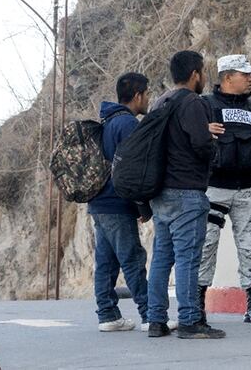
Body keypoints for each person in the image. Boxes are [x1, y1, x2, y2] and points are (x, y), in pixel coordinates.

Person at [197, 54, 251, 324]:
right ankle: (197, 303)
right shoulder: (203, 106)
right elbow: (184, 136)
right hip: (213, 188)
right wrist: (203, 130)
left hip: (248, 189)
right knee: (205, 245)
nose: (250, 78)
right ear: (227, 77)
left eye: (250, 74)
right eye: (244, 74)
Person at [145, 50, 225, 339]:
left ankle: (156, 321)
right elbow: (202, 144)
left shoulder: (159, 102)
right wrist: (214, 151)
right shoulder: (192, 102)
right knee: (189, 259)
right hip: (186, 192)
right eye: (202, 72)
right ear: (194, 74)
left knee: (161, 260)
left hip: (161, 193)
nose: (204, 77)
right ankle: (190, 320)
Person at [89, 72, 151, 332]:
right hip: (117, 203)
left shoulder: (108, 121)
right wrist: (142, 205)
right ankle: (150, 314)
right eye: (147, 94)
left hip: (100, 203)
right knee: (133, 259)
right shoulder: (127, 124)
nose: (148, 99)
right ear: (137, 96)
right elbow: (132, 170)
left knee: (106, 262)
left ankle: (108, 315)